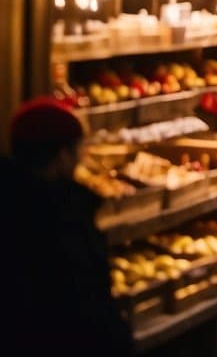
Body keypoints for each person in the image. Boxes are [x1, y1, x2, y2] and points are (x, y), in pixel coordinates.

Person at [2, 98, 135, 357]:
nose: (80, 159)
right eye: (78, 150)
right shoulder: (65, 217)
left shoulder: (12, 202)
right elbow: (87, 302)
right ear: (62, 156)